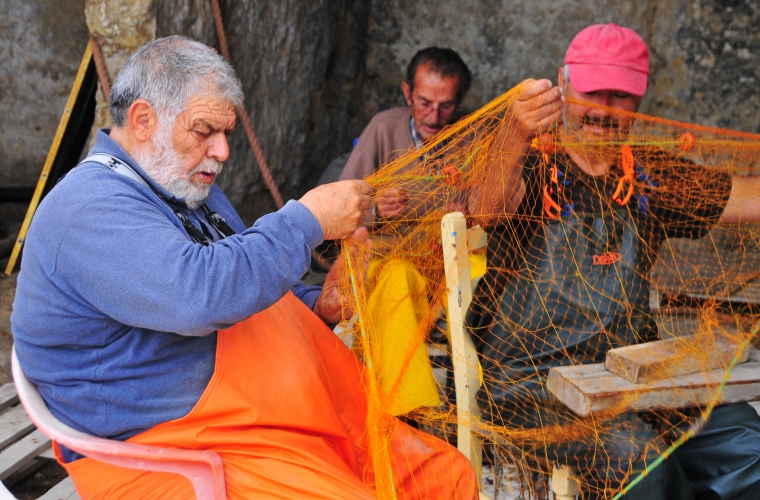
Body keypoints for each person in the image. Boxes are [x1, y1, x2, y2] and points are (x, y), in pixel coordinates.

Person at [11, 36, 478, 499]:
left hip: (270, 415)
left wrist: (319, 305)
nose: (222, 151)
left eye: (226, 133)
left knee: (448, 476)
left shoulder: (183, 184)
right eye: (204, 131)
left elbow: (240, 270)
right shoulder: (89, 208)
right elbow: (199, 294)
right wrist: (307, 220)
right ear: (144, 120)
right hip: (175, 447)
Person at [476, 23, 760, 500]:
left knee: (746, 444)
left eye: (621, 95)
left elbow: (742, 196)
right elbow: (486, 208)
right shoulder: (527, 158)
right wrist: (513, 137)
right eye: (593, 91)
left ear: (640, 102)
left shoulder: (650, 172)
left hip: (631, 375)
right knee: (642, 463)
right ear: (562, 87)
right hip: (531, 387)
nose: (604, 109)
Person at [340, 47, 472, 219]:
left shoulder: (473, 132)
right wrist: (376, 210)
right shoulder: (383, 128)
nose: (434, 117)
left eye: (446, 106)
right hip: (387, 245)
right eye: (424, 103)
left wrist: (470, 215)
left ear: (461, 98)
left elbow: (497, 207)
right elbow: (341, 204)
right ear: (408, 93)